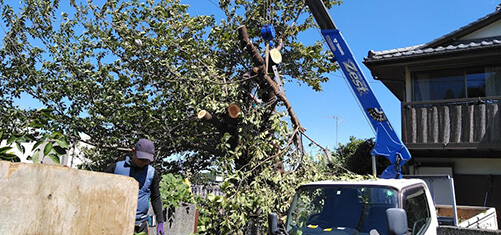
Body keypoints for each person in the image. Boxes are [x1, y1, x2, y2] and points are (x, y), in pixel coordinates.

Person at [105, 139, 165, 235]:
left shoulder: (152, 173)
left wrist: (160, 221)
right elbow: (100, 188)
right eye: (141, 159)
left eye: (147, 160)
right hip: (116, 221)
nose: (143, 162)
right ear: (133, 151)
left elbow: (155, 197)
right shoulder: (117, 168)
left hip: (140, 224)